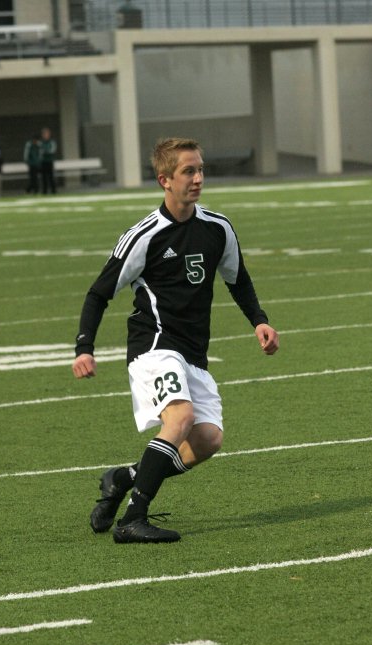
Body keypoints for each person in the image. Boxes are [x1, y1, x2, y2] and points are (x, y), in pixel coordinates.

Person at [72, 137, 279, 544]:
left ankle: (123, 479)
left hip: (193, 353)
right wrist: (85, 347)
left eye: (201, 169)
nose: (198, 178)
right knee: (179, 419)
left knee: (206, 440)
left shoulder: (217, 227)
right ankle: (133, 519)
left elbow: (238, 278)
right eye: (189, 171)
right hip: (153, 346)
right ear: (164, 180)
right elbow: (99, 293)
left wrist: (259, 321)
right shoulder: (145, 235)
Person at [40, 127, 57, 194]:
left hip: (50, 161)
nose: (46, 135)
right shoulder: (41, 142)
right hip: (43, 162)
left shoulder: (52, 142)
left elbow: (52, 151)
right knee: (44, 177)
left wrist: (45, 151)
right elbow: (40, 151)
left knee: (51, 177)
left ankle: (53, 191)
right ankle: (44, 191)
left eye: (47, 134)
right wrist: (45, 152)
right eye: (44, 134)